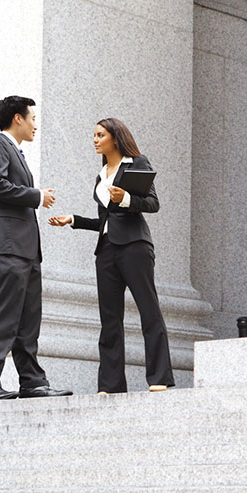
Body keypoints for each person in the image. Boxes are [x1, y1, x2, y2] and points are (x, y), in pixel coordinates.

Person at [48, 118, 175, 394]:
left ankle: (159, 378)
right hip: (106, 251)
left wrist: (125, 198)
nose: (95, 140)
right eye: (94, 135)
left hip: (135, 247)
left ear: (115, 138)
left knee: (149, 310)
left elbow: (152, 203)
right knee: (109, 319)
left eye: (100, 135)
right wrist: (73, 219)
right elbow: (104, 221)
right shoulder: (101, 175)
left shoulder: (137, 163)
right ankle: (110, 384)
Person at [0, 96, 73, 401]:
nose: (35, 125)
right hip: (7, 247)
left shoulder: (15, 151)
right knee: (1, 316)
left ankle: (32, 382)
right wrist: (36, 196)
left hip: (26, 250)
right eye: (32, 118)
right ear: (17, 118)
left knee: (28, 321)